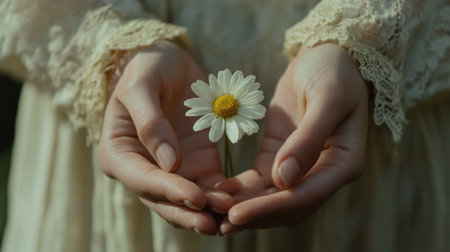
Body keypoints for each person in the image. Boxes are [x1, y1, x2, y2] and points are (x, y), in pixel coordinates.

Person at [1, 0, 449, 251]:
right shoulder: (214, 104)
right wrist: (114, 50)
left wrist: (364, 40)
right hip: (130, 97)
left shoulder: (232, 104)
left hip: (359, 120)